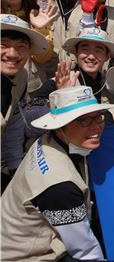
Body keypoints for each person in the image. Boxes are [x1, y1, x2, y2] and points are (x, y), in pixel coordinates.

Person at [1, 86, 113, 260]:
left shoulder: (47, 140)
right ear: (60, 128)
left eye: (98, 117)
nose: (96, 127)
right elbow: (85, 252)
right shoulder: (60, 186)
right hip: (25, 255)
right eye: (83, 120)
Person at [1, 14, 49, 190]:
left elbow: (14, 125)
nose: (12, 54)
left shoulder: (21, 76)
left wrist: (15, 168)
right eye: (3, 45)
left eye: (21, 47)